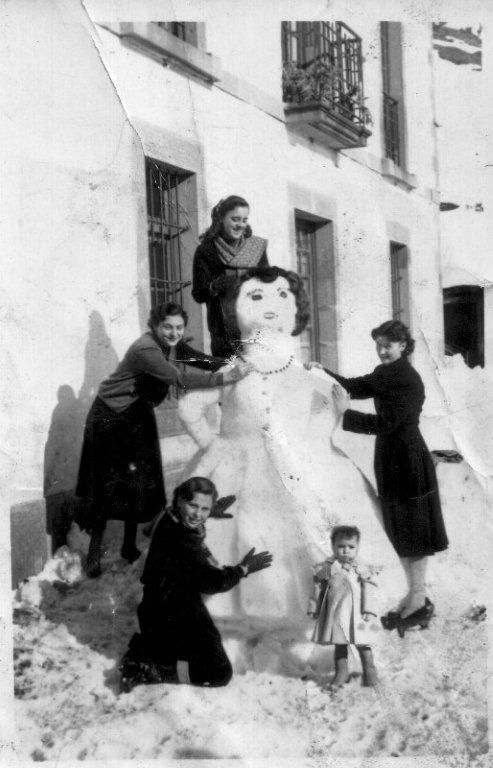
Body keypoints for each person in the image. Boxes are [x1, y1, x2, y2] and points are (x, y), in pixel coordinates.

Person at [177, 267, 394, 631]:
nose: (270, 306)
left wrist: (317, 436)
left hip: (300, 460)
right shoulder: (233, 370)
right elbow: (188, 407)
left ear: (296, 309)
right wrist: (215, 447)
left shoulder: (303, 368)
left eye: (281, 296)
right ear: (235, 310)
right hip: (239, 465)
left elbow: (330, 401)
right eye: (255, 297)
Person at [76, 302, 251, 578]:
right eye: (167, 327)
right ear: (155, 326)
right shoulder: (146, 349)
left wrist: (233, 364)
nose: (173, 332)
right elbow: (179, 379)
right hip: (111, 418)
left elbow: (197, 359)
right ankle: (94, 554)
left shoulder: (172, 344)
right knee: (106, 487)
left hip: (137, 414)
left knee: (139, 482)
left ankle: (129, 546)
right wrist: (227, 377)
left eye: (179, 327)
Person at [308, 320, 448, 630]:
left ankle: (417, 599)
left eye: (388, 345)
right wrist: (323, 373)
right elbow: (355, 387)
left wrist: (345, 414)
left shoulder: (410, 380)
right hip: (392, 458)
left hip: (409, 459)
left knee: (415, 533)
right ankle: (416, 598)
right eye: (379, 345)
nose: (382, 351)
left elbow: (387, 423)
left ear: (403, 346)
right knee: (401, 531)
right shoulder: (385, 372)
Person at [119, 477, 273, 692]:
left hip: (163, 605)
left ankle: (148, 650)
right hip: (169, 615)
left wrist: (207, 512)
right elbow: (212, 581)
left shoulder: (169, 517)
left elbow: (190, 530)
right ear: (180, 501)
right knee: (219, 672)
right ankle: (151, 670)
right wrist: (243, 569)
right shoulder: (182, 540)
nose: (197, 514)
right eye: (193, 505)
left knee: (203, 644)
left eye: (204, 509)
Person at [192, 195, 268, 357]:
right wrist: (214, 286)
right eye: (235, 219)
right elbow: (198, 294)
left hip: (255, 328)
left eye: (244, 220)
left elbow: (268, 284)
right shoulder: (207, 250)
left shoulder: (255, 248)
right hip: (224, 332)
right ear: (221, 219)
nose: (240, 225)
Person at [308, 525, 379, 689]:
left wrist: (369, 610)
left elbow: (369, 588)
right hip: (337, 615)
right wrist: (314, 608)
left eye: (351, 547)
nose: (346, 551)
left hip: (357, 614)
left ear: (357, 547)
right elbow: (318, 588)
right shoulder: (327, 568)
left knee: (363, 644)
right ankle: (342, 673)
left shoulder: (361, 568)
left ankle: (370, 672)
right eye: (341, 546)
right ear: (333, 546)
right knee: (340, 645)